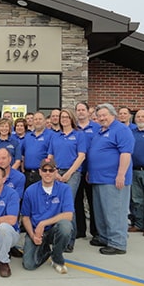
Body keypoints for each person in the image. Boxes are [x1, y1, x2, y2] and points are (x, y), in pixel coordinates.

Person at [87, 103, 135, 255]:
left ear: (113, 115)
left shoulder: (121, 130)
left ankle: (117, 243)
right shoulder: (100, 132)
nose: (101, 118)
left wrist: (121, 174)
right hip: (98, 178)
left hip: (113, 179)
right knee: (101, 212)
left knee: (114, 211)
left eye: (104, 115)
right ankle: (105, 237)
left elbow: (126, 153)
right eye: (99, 116)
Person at [21, 158, 74, 274]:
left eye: (51, 170)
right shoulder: (30, 191)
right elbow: (25, 217)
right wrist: (32, 235)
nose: (48, 173)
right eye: (45, 170)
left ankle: (57, 258)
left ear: (56, 172)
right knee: (29, 265)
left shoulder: (65, 189)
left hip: (53, 230)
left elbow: (69, 215)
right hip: (36, 232)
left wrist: (43, 223)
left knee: (65, 226)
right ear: (40, 172)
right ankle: (45, 250)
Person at [48, 108, 87, 252]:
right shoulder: (55, 136)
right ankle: (59, 236)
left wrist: (69, 173)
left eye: (66, 117)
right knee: (56, 205)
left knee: (68, 204)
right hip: (56, 173)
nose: (63, 119)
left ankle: (70, 240)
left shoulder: (79, 135)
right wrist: (55, 172)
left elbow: (81, 156)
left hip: (73, 173)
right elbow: (50, 156)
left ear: (71, 118)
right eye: (61, 117)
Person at [74, 101, 100, 239]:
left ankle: (95, 231)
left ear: (87, 111)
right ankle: (80, 230)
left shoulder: (96, 128)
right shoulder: (74, 128)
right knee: (77, 201)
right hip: (77, 170)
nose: (80, 112)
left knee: (92, 201)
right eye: (78, 110)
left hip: (92, 170)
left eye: (83, 109)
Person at [21, 111, 56, 187]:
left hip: (43, 174)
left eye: (40, 119)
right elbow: (23, 155)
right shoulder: (27, 136)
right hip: (28, 174)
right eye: (36, 119)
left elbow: (52, 154)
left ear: (44, 121)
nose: (38, 121)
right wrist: (23, 169)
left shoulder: (51, 135)